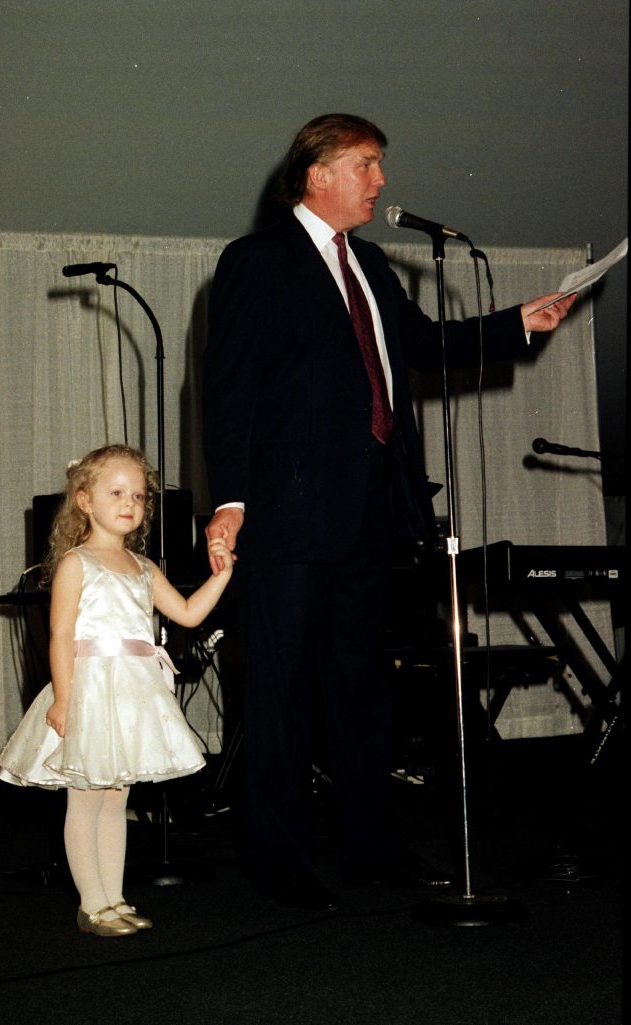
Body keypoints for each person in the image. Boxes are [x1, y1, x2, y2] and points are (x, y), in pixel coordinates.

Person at [202, 113, 576, 912]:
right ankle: (280, 858)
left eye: (378, 166)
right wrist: (230, 500)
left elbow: (422, 346)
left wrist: (518, 323)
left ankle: (372, 850)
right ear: (317, 173)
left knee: (361, 688)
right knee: (281, 692)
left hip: (371, 513)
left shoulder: (370, 263)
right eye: (366, 165)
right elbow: (229, 386)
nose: (379, 181)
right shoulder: (255, 262)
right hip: (288, 515)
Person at [0, 444, 233, 936]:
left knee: (115, 796)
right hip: (89, 689)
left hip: (131, 694)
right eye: (117, 492)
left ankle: (115, 897)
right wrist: (63, 699)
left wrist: (222, 575)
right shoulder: (77, 564)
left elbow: (187, 614)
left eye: (140, 496)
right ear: (84, 500)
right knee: (85, 797)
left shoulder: (143, 567)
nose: (131, 503)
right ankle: (92, 904)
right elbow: (61, 635)